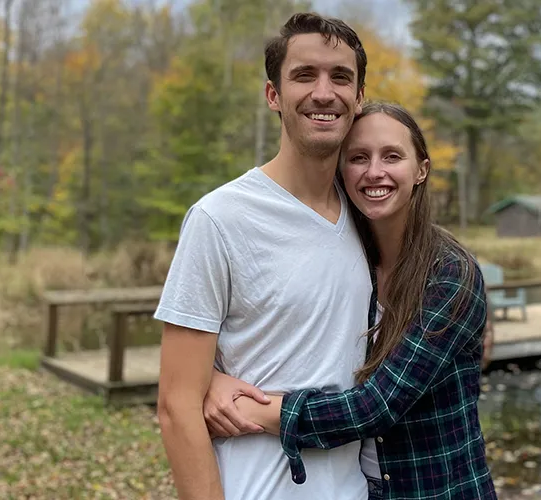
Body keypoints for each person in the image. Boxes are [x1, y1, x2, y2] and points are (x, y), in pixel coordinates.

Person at [205, 101, 498, 500]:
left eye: (392, 156)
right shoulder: (347, 254)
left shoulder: (450, 274)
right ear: (342, 170)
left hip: (438, 489)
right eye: (358, 158)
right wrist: (209, 375)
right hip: (360, 489)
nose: (374, 171)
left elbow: (374, 407)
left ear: (421, 170)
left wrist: (247, 408)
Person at [152, 12, 374, 500]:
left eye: (340, 77)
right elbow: (176, 404)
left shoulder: (367, 214)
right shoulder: (221, 218)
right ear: (273, 95)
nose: (323, 92)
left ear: (358, 98)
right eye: (303, 75)